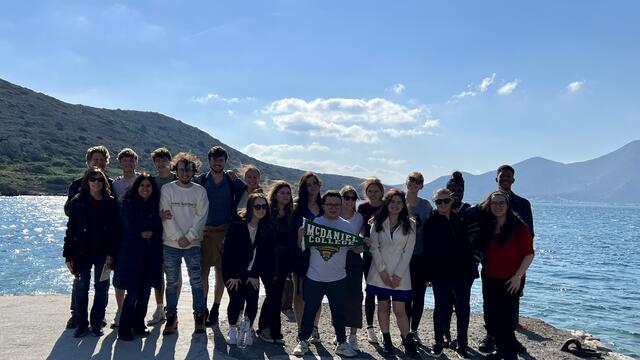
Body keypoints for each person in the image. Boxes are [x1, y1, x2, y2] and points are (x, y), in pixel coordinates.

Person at [292, 191, 358, 358]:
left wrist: (363, 244)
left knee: (338, 312)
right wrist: (300, 236)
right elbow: (302, 248)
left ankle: (342, 343)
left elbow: (355, 249)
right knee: (310, 310)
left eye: (337, 204)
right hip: (314, 277)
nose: (333, 208)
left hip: (338, 278)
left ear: (341, 205)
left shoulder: (347, 226)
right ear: (324, 206)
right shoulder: (315, 223)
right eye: (330, 204)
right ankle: (303, 341)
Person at [479, 165, 534, 353]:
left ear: (513, 180)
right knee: (490, 305)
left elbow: (529, 239)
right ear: (496, 179)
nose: (505, 179)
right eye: (502, 176)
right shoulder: (487, 205)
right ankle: (491, 337)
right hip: (490, 268)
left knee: (511, 305)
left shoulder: (523, 205)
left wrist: (520, 272)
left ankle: (508, 341)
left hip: (515, 267)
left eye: (508, 177)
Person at [63, 168, 120, 337]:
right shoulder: (77, 201)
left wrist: (112, 254)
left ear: (104, 183)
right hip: (82, 252)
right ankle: (81, 324)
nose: (96, 182)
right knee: (81, 288)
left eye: (100, 180)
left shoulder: (110, 202)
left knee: (102, 288)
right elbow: (70, 230)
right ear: (87, 181)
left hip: (104, 253)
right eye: (93, 179)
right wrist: (68, 255)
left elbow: (115, 231)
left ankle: (96, 324)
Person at [196, 146, 247, 327]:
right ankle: (203, 308)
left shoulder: (232, 181)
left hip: (225, 232)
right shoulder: (200, 180)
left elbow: (250, 191)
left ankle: (216, 308)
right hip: (204, 232)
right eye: (214, 160)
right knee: (203, 271)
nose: (217, 163)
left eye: (221, 160)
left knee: (220, 272)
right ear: (209, 161)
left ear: (225, 162)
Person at [160, 152, 209, 335]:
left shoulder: (200, 191)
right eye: (181, 170)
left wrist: (188, 237)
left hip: (193, 244)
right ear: (176, 170)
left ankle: (199, 317)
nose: (185, 173)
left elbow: (201, 216)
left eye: (189, 170)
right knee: (171, 282)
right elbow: (166, 215)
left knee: (196, 282)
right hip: (170, 244)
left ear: (194, 171)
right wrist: (178, 237)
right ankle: (171, 317)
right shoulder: (167, 189)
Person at [423, 188, 476, 358]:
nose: (443, 204)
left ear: (452, 201)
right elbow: (428, 251)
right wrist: (428, 275)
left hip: (462, 272)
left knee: (463, 309)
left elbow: (470, 243)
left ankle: (462, 345)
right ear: (435, 202)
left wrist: (473, 267)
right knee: (440, 308)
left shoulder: (461, 218)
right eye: (439, 201)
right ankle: (438, 343)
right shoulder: (431, 222)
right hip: (440, 272)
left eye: (446, 200)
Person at [365, 189, 418, 358]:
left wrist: (398, 275)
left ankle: (407, 339)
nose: (395, 205)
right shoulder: (377, 222)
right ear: (387, 203)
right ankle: (386, 339)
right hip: (379, 273)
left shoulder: (410, 224)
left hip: (401, 275)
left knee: (400, 309)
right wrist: (382, 271)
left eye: (399, 202)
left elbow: (408, 251)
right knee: (382, 306)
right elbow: (374, 247)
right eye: (392, 202)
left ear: (404, 205)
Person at [222, 192, 276, 347]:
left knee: (252, 301)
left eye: (264, 206)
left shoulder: (267, 228)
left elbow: (268, 256)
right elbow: (229, 253)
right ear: (250, 208)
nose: (261, 209)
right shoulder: (237, 226)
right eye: (257, 206)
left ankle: (247, 328)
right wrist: (234, 275)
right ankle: (233, 329)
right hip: (233, 271)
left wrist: (255, 275)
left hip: (252, 272)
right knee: (236, 299)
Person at [113, 174, 163, 341]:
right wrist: (148, 227)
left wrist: (150, 230)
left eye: (148, 186)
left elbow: (159, 227)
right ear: (136, 187)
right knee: (133, 292)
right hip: (132, 254)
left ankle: (139, 324)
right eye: (142, 185)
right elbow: (129, 226)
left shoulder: (156, 204)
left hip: (150, 254)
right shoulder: (127, 202)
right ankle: (125, 328)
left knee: (145, 292)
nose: (145, 189)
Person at [257, 181, 296, 344]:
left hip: (284, 263)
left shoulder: (290, 215)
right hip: (268, 261)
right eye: (282, 193)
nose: (286, 196)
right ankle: (269, 330)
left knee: (276, 295)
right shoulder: (267, 213)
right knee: (273, 295)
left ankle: (269, 330)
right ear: (275, 194)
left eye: (288, 193)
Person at [147, 147, 179, 326]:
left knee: (175, 273)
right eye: (157, 160)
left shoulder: (178, 178)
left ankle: (172, 309)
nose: (161, 163)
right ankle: (160, 308)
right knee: (158, 271)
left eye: (164, 159)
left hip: (178, 232)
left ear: (170, 161)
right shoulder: (151, 182)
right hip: (158, 233)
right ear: (154, 163)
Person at [111, 147, 140, 328]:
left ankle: (134, 310)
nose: (128, 163)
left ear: (135, 162)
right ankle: (120, 310)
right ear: (120, 163)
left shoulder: (142, 181)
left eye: (131, 160)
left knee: (136, 274)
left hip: (137, 235)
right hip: (120, 235)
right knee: (119, 275)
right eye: (125, 161)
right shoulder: (115, 184)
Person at [292, 172, 323, 342]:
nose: (312, 187)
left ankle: (315, 327)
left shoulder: (325, 206)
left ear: (319, 185)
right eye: (308, 184)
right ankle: (300, 328)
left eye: (314, 183)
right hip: (301, 254)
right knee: (299, 293)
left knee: (315, 294)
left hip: (321, 256)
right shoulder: (297, 206)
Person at [403, 171, 432, 346]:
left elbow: (431, 234)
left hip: (420, 256)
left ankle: (414, 330)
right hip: (401, 256)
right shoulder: (397, 201)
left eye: (418, 181)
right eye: (411, 180)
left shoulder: (426, 206)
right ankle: (404, 331)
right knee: (404, 295)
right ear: (406, 182)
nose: (414, 183)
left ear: (422, 185)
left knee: (419, 295)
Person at [336, 185, 365, 352]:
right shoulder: (333, 215)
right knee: (337, 297)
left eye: (353, 198)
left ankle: (353, 336)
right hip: (334, 259)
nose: (349, 201)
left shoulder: (359, 217)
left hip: (353, 260)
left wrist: (359, 247)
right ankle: (339, 332)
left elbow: (364, 239)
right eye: (346, 197)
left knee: (355, 296)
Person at [356, 177, 384, 344]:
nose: (373, 194)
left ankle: (383, 327)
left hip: (385, 254)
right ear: (366, 193)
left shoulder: (386, 207)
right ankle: (370, 327)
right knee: (370, 290)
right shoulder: (363, 208)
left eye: (376, 190)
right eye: (369, 191)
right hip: (368, 254)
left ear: (381, 191)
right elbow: (357, 230)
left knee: (384, 292)